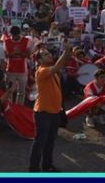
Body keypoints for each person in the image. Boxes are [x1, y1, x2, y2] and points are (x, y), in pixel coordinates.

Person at [28, 42, 72, 172]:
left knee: (50, 142)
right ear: (39, 60)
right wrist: (66, 52)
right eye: (45, 54)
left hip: (54, 112)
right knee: (40, 142)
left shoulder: (51, 71)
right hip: (43, 112)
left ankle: (47, 166)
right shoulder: (41, 71)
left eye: (49, 53)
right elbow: (58, 66)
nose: (49, 55)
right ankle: (34, 169)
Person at [4, 26, 31, 104]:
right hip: (10, 70)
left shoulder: (26, 41)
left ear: (19, 34)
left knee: (21, 92)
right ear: (11, 34)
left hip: (22, 70)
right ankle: (9, 107)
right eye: (13, 36)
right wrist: (12, 53)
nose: (15, 38)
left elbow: (28, 55)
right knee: (9, 91)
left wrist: (20, 53)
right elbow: (5, 55)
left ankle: (19, 108)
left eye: (16, 36)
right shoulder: (6, 42)